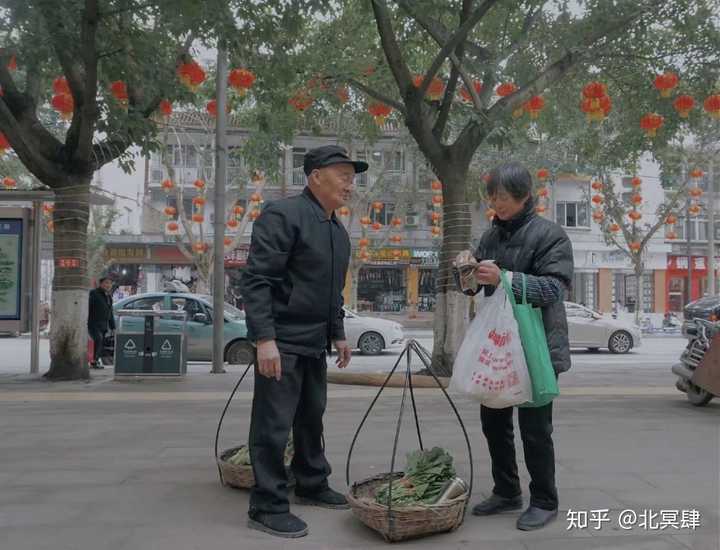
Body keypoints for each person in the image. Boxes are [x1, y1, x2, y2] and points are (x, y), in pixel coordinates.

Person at [241, 145, 367, 538]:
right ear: (315, 176)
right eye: (343, 174)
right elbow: (258, 280)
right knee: (273, 425)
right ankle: (267, 504)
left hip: (314, 342)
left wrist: (338, 333)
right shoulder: (284, 215)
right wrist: (264, 338)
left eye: (352, 176)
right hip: (282, 339)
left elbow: (332, 292)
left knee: (312, 417)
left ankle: (311, 483)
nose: (350, 183)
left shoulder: (336, 231)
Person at [455, 162, 573, 531]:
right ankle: (507, 491)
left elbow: (553, 289)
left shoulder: (550, 235)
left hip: (535, 343)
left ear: (524, 196)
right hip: (498, 346)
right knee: (494, 422)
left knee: (535, 428)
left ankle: (544, 499)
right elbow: (477, 289)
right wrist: (467, 272)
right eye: (491, 196)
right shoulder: (491, 236)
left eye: (502, 197)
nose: (496, 203)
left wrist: (505, 277)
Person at [88, 276, 115, 369]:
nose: (108, 285)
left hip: (103, 325)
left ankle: (95, 361)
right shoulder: (94, 293)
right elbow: (88, 307)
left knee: (100, 342)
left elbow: (110, 312)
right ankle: (94, 361)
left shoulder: (109, 297)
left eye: (110, 283)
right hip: (93, 323)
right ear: (101, 284)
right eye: (106, 283)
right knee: (98, 339)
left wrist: (113, 327)